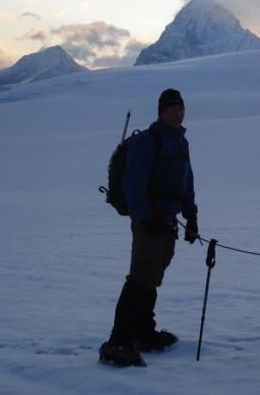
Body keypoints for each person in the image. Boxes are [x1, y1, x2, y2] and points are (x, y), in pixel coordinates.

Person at [99, 88, 199, 367]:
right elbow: (133, 183)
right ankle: (118, 342)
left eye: (181, 108)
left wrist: (191, 217)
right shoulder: (148, 141)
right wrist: (144, 216)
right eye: (172, 108)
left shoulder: (181, 142)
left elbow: (186, 183)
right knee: (140, 277)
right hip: (149, 221)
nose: (178, 113)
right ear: (161, 111)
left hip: (168, 220)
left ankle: (143, 332)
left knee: (153, 275)